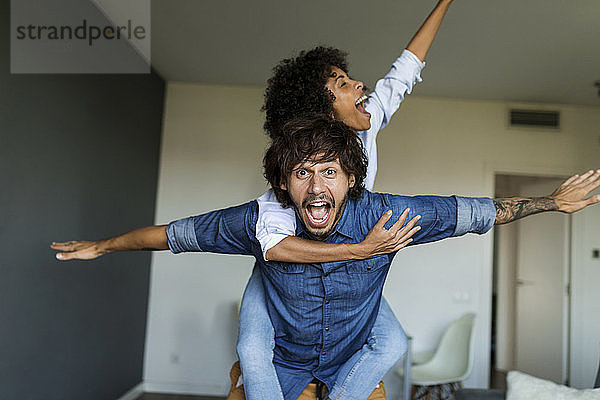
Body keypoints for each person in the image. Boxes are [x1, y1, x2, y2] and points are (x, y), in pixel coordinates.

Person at [51, 116, 600, 400]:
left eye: (329, 171)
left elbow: (472, 212)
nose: (316, 186)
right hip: (281, 364)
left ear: (351, 178)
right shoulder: (254, 223)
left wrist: (550, 202)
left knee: (389, 344)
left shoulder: (388, 216)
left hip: (347, 364)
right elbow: (170, 234)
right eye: (302, 172)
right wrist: (103, 245)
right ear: (284, 184)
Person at [237, 1, 456, 398]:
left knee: (391, 343)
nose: (361, 86)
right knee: (252, 350)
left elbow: (405, 69)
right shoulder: (294, 170)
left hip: (346, 267)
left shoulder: (362, 131)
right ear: (323, 110)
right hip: (284, 271)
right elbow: (271, 239)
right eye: (343, 84)